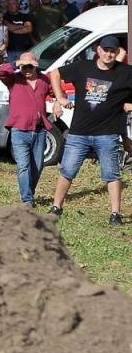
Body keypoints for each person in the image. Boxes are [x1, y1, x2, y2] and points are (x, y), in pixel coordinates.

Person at [47, 35, 132, 224]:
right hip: (79, 132)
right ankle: (56, 207)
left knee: (112, 174)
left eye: (113, 51)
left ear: (117, 53)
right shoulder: (82, 67)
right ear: (98, 50)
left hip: (107, 134)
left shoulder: (126, 73)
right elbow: (54, 73)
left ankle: (115, 214)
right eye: (106, 50)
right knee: (67, 171)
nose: (109, 54)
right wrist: (59, 98)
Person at [0, 53, 54, 206]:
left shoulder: (44, 80)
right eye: (24, 66)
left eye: (30, 66)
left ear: (36, 65)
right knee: (23, 165)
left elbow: (58, 91)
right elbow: (1, 71)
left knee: (38, 165)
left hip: (39, 130)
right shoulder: (13, 79)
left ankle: (29, 191)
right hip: (19, 131)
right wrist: (18, 62)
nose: (27, 69)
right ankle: (27, 199)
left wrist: (60, 102)